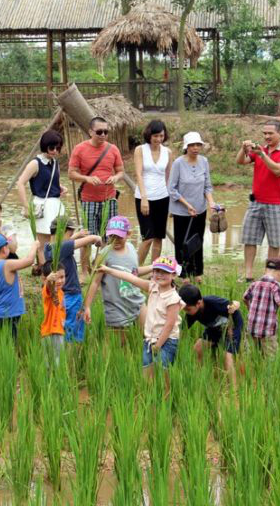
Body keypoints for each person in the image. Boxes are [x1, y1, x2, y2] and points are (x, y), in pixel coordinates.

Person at [99, 256, 184, 375]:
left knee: (163, 373)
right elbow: (130, 278)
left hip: (167, 341)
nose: (160, 275)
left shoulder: (173, 299)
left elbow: (169, 325)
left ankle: (166, 393)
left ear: (174, 275)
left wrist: (158, 345)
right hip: (149, 339)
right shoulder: (152, 287)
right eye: (157, 271)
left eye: (165, 272)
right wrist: (108, 270)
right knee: (147, 372)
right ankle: (149, 393)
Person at [236, 120, 280, 282]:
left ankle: (268, 274)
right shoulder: (260, 150)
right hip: (256, 202)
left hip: (275, 204)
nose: (267, 136)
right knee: (249, 239)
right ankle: (248, 273)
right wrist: (243, 149)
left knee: (275, 242)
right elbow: (241, 161)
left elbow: (278, 170)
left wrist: (262, 154)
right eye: (264, 133)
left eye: (270, 133)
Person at [68, 116, 124, 279]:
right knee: (87, 236)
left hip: (109, 198)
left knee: (109, 235)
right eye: (99, 132)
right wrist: (86, 179)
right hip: (89, 199)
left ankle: (102, 268)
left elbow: (121, 171)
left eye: (106, 132)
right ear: (90, 132)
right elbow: (71, 174)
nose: (103, 135)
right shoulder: (80, 149)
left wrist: (116, 178)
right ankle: (84, 271)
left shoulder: (113, 149)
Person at [83, 216, 149, 346]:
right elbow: (95, 282)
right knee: (117, 345)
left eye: (119, 237)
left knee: (149, 335)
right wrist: (87, 306)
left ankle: (145, 362)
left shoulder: (131, 248)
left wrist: (154, 267)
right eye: (112, 237)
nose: (116, 240)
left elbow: (134, 272)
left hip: (136, 301)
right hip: (116, 307)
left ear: (128, 234)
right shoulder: (104, 254)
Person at [44, 217, 102, 344]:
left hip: (62, 296)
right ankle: (72, 360)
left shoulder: (48, 247)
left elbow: (65, 241)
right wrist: (97, 239)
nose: (71, 237)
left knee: (66, 329)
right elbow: (91, 239)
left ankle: (65, 356)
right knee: (73, 334)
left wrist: (76, 235)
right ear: (61, 232)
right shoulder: (62, 247)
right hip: (72, 296)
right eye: (69, 234)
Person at [167, 132, 216, 283]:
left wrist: (211, 203)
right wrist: (187, 206)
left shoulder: (204, 161)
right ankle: (183, 274)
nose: (195, 148)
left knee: (198, 241)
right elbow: (172, 189)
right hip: (182, 210)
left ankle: (197, 272)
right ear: (186, 147)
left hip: (200, 209)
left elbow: (207, 186)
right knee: (182, 242)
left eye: (198, 145)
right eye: (192, 145)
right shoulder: (178, 163)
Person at [16, 130, 67, 268]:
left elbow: (48, 181)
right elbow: (20, 183)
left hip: (56, 204)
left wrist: (60, 187)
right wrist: (26, 205)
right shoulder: (35, 163)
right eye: (52, 147)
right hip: (42, 204)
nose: (55, 151)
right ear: (45, 146)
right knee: (43, 243)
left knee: (57, 239)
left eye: (58, 148)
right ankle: (46, 273)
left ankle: (53, 268)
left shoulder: (55, 162)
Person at [179, 284, 243, 388]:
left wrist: (235, 304)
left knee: (227, 356)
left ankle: (233, 389)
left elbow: (233, 305)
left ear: (198, 303)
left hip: (232, 327)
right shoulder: (192, 312)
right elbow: (181, 331)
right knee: (198, 348)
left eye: (187, 309)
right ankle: (200, 380)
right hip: (214, 329)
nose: (186, 312)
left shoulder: (214, 302)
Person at [0, 234, 41, 343]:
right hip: (10, 313)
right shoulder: (7, 264)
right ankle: (3, 360)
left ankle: (2, 358)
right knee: (10, 344)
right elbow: (29, 261)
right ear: (4, 249)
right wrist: (34, 246)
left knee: (3, 342)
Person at [134, 119, 173, 264]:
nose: (158, 139)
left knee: (158, 237)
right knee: (147, 237)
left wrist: (171, 203)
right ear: (149, 135)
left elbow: (169, 177)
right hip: (144, 198)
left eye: (161, 136)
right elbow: (138, 174)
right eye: (155, 136)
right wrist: (144, 198)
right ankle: (135, 270)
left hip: (163, 197)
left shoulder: (167, 152)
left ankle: (154, 270)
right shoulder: (140, 150)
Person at [242, 258, 280, 358]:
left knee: (250, 357)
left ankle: (249, 372)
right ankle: (270, 372)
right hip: (267, 330)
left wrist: (250, 308)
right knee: (271, 358)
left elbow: (244, 298)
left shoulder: (254, 284)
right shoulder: (275, 285)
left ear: (265, 270)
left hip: (251, 327)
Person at [40, 261, 66, 365]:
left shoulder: (61, 292)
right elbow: (47, 288)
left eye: (62, 277)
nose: (60, 280)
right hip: (51, 331)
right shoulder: (50, 291)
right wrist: (48, 281)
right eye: (56, 278)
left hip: (59, 330)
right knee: (53, 363)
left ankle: (55, 379)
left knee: (57, 362)